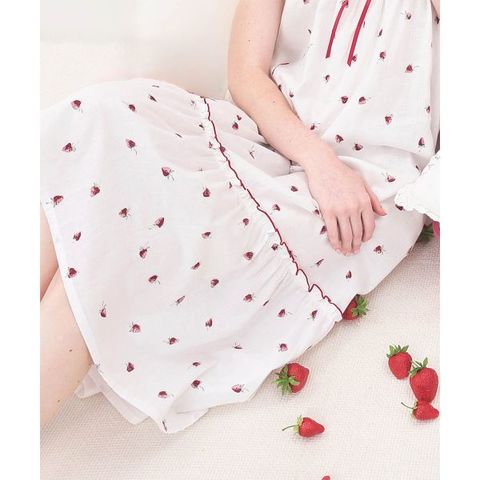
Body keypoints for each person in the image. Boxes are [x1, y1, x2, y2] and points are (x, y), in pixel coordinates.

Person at [40, 0, 440, 432]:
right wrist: (317, 160)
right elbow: (247, 75)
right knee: (105, 115)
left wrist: (329, 171)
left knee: (117, 257)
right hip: (264, 136)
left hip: (358, 187)